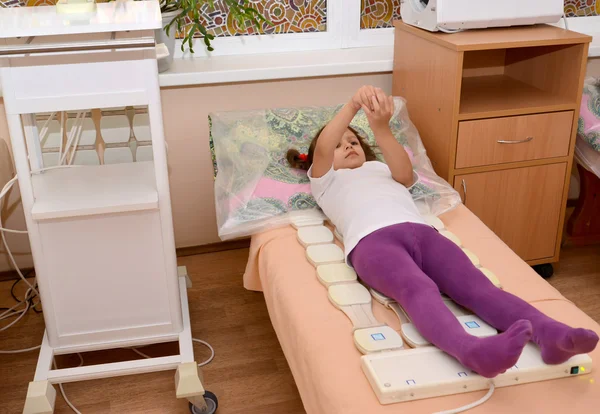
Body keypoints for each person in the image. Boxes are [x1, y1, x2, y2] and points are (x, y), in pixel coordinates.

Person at [286, 85, 598, 378]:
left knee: (479, 287)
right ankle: (472, 351)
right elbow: (326, 144)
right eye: (342, 144)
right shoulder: (325, 180)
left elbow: (405, 175)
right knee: (419, 288)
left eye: (354, 141)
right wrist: (354, 105)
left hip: (423, 233)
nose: (349, 146)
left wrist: (380, 128)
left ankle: (551, 335)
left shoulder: (380, 169)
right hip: (372, 243)